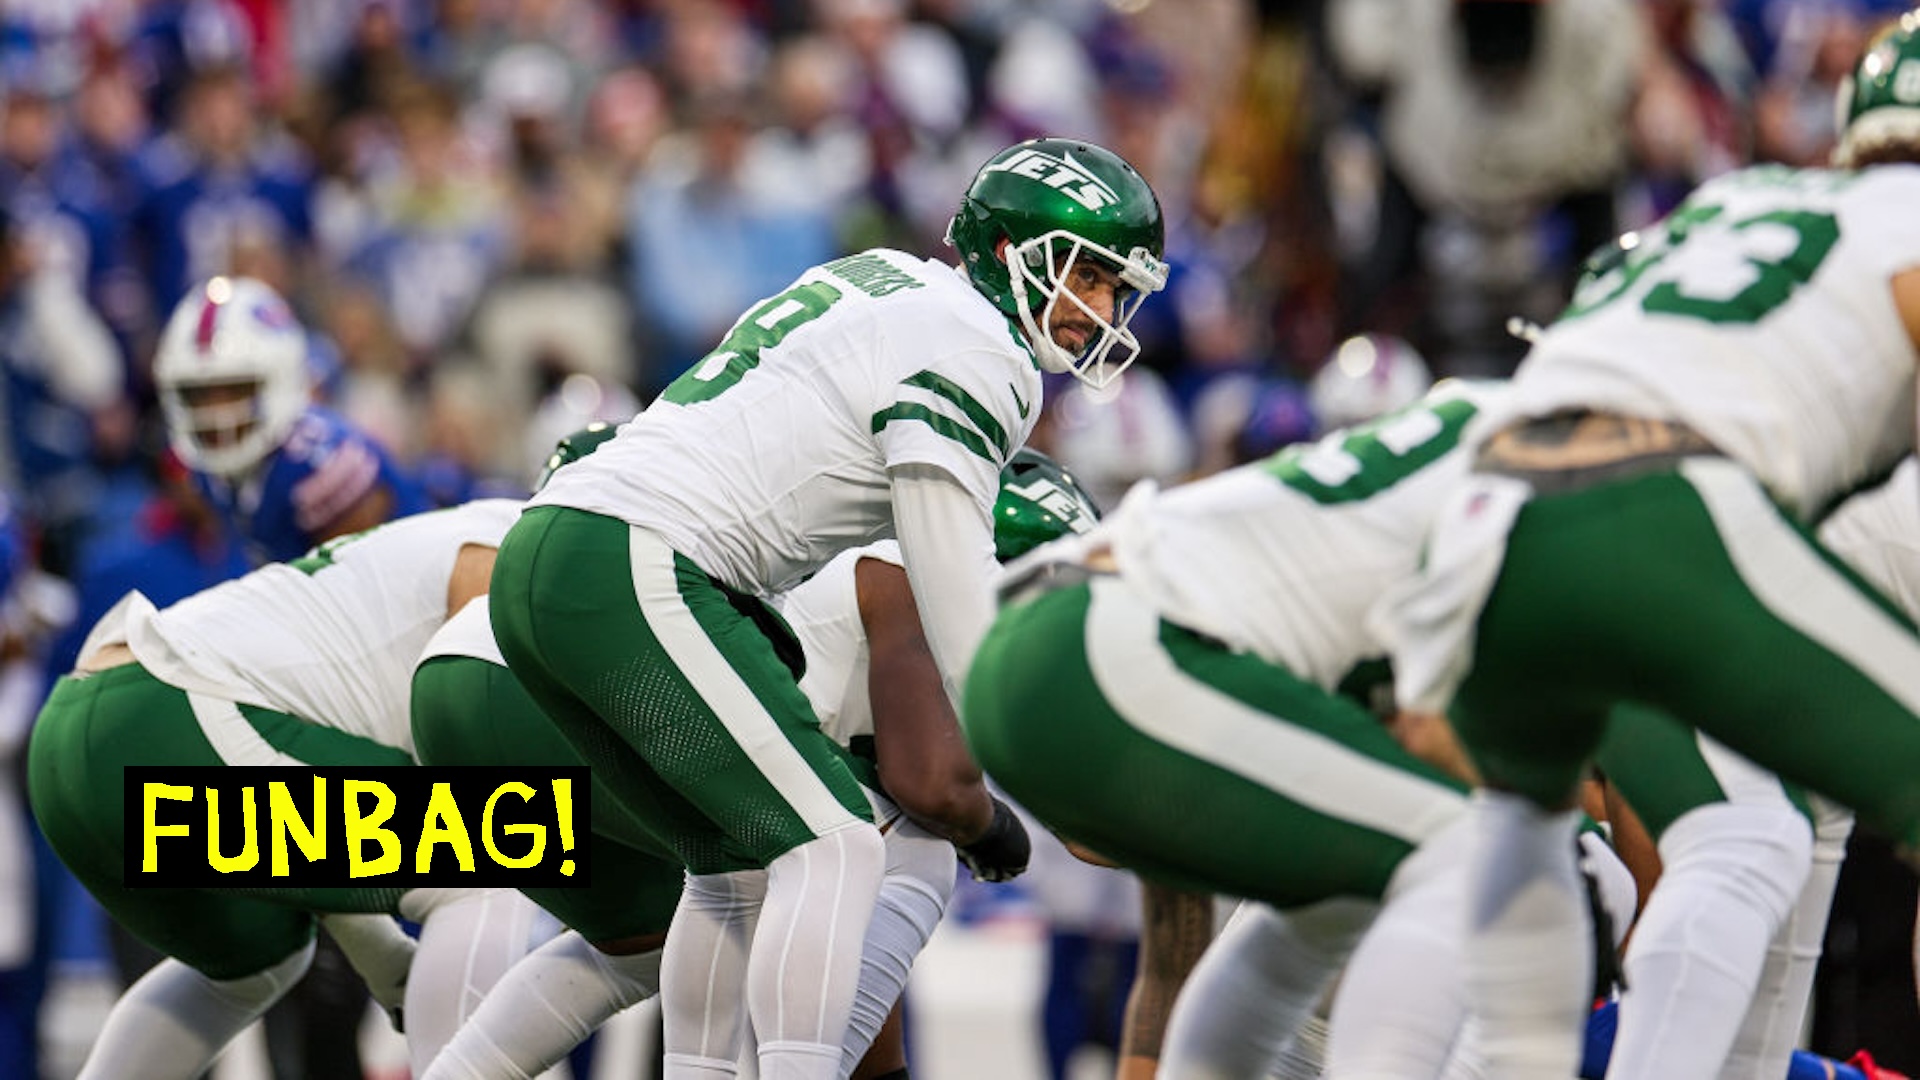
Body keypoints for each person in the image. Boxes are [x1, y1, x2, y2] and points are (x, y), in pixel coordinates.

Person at [486, 136, 1167, 1080]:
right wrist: (1061, 787)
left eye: (1112, 288)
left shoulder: (885, 275)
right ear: (1015, 251)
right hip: (637, 564)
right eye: (1087, 276)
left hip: (556, 551)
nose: (1099, 311)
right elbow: (963, 620)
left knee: (731, 872)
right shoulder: (983, 354)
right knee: (838, 845)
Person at [1370, 13, 1920, 1077]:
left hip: (1488, 503)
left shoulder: (1746, 201)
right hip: (1658, 509)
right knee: (1757, 843)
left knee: (1752, 843)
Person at [963, 380, 1634, 1077]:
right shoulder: (1551, 498)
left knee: (1358, 897)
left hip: (1066, 651)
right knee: (1517, 869)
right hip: (1113, 650)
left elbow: (1174, 946)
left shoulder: (1455, 482)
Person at [412, 437, 1097, 1079]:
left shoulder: (852, 543)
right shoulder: (903, 569)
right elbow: (931, 789)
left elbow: (846, 918)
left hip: (464, 680)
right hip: (560, 677)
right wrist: (989, 829)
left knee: (644, 944)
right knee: (894, 846)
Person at [24, 497, 544, 1079]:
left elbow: (313, 828)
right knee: (504, 837)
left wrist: (388, 962)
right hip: (167, 715)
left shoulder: (472, 536)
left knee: (256, 965)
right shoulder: (512, 560)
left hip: (72, 737)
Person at [153, 274, 427, 565]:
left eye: (236, 390)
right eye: (198, 394)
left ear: (280, 382)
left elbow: (371, 590)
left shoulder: (320, 462)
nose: (216, 414)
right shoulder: (207, 469)